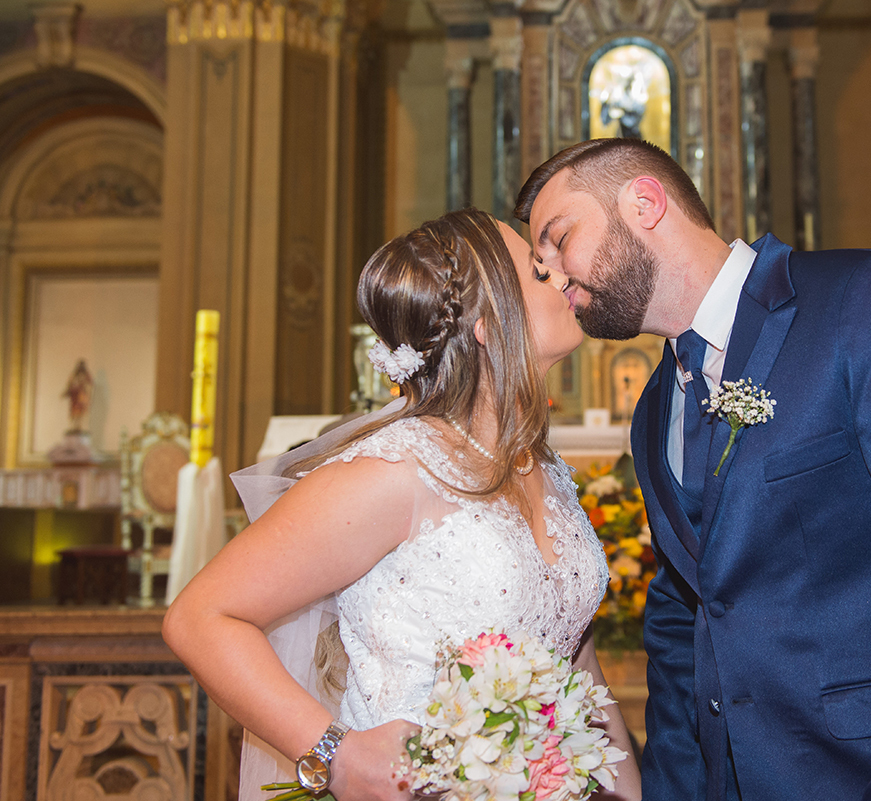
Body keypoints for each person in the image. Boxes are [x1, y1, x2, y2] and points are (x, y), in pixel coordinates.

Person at [515, 139, 871, 801]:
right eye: (540, 262)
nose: (553, 273)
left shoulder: (867, 299)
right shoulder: (656, 408)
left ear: (644, 202)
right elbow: (685, 616)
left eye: (558, 237)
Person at [163, 208, 641, 801]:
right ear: (489, 323)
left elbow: (575, 656)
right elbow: (201, 617)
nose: (564, 277)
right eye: (540, 274)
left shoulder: (541, 468)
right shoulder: (395, 472)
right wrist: (335, 754)